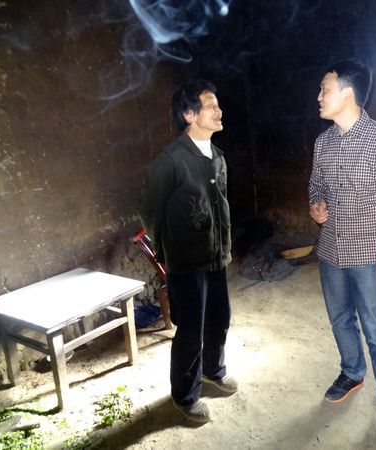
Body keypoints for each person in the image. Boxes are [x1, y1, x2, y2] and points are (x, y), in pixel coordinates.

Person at [308, 61, 376, 438]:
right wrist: (315, 206)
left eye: (325, 89)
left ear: (347, 94)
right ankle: (352, 372)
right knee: (340, 319)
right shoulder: (323, 142)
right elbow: (315, 186)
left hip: (368, 253)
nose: (319, 96)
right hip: (330, 251)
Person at [139, 79, 237, 423]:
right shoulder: (169, 161)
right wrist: (168, 250)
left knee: (219, 319)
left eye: (218, 105)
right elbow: (150, 211)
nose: (219, 111)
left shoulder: (218, 157)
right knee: (191, 329)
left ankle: (213, 371)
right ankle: (185, 395)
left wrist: (222, 246)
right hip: (185, 261)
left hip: (216, 255)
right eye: (210, 106)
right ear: (189, 115)